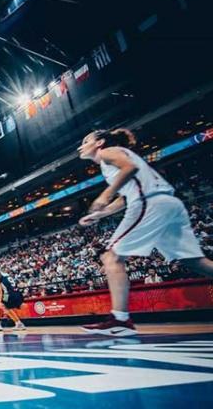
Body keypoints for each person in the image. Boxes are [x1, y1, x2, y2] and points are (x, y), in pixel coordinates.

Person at [77, 128, 213, 336]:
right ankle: (120, 319)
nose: (81, 146)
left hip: (149, 203)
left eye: (86, 141)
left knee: (111, 256)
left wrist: (104, 196)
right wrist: (100, 214)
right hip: (168, 204)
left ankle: (120, 319)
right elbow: (125, 196)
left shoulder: (107, 153)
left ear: (99, 143)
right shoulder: (116, 157)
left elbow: (129, 169)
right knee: (194, 261)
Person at [0, 260, 27, 331]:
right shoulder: (4, 273)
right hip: (17, 294)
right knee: (6, 307)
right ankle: (19, 324)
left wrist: (0, 301)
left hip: (9, 295)